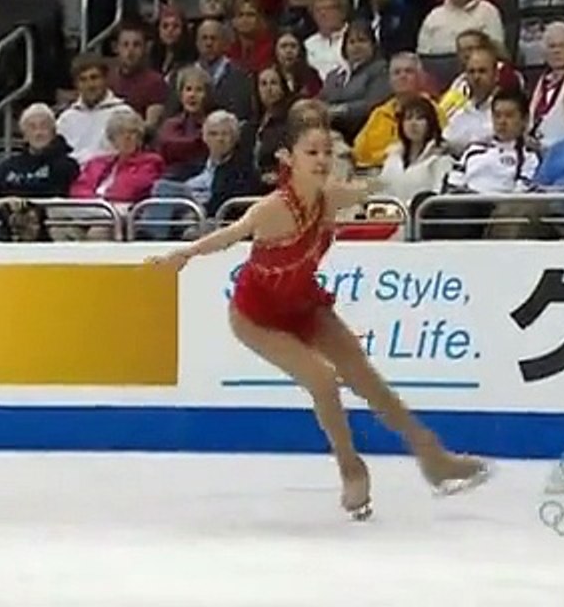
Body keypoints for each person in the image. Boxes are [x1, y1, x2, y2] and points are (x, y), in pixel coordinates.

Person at [145, 99, 490, 519]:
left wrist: (411, 167)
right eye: (312, 152)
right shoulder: (273, 209)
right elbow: (231, 234)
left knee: (368, 379)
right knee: (324, 380)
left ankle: (434, 457)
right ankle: (351, 469)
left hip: (305, 305)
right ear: (288, 158)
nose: (323, 159)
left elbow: (385, 186)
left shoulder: (332, 199)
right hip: (257, 317)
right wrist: (182, 255)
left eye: (327, 151)